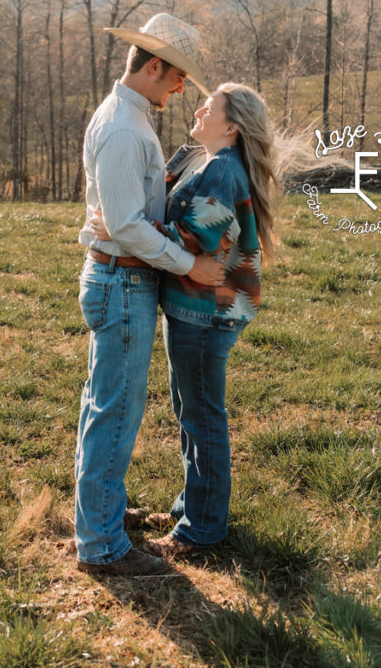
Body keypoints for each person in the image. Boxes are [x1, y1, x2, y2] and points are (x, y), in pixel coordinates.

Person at [92, 82, 278, 557]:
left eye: (209, 107)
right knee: (191, 409)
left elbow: (195, 237)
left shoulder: (222, 169)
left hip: (207, 310)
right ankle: (190, 508)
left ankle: (202, 530)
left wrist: (125, 227)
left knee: (202, 415)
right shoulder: (206, 160)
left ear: (232, 126)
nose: (198, 108)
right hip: (198, 306)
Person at [74, 12, 223, 578]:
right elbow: (127, 226)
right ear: (154, 65)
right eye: (178, 76)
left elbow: (123, 211)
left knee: (105, 405)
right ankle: (103, 546)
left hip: (122, 276)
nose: (183, 88)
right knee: (115, 411)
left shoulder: (130, 120)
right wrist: (189, 262)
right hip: (122, 279)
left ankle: (101, 516)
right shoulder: (124, 128)